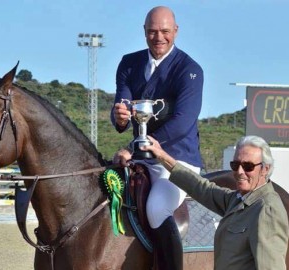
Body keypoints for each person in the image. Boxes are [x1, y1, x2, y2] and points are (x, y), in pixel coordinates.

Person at [111, 6, 203, 270]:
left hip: (175, 161)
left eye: (164, 31)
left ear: (175, 31)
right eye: (152, 31)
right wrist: (119, 117)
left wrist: (135, 148)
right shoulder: (129, 63)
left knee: (156, 209)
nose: (158, 37)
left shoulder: (190, 70)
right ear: (144, 32)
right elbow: (123, 104)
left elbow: (182, 123)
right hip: (138, 158)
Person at [118, 135, 288, 270]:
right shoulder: (238, 200)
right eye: (235, 165)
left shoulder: (266, 210)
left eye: (248, 166)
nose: (240, 172)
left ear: (265, 169)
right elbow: (202, 188)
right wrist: (162, 156)